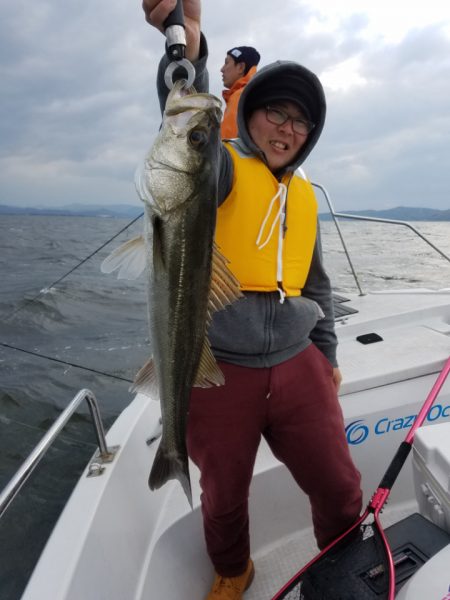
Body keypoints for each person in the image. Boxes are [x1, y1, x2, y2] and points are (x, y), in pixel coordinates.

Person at [142, 1, 363, 599]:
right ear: (252, 115)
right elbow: (185, 146)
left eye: (301, 122)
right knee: (222, 496)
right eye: (275, 113)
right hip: (220, 371)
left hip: (298, 365)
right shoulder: (226, 168)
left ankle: (339, 565)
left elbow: (315, 285)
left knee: (341, 485)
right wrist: (191, 52)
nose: (287, 129)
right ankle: (234, 570)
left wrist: (328, 353)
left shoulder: (307, 196)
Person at [220, 45, 260, 138]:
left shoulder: (240, 96)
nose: (222, 69)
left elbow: (228, 142)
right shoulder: (255, 94)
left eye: (226, 63)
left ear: (240, 67)